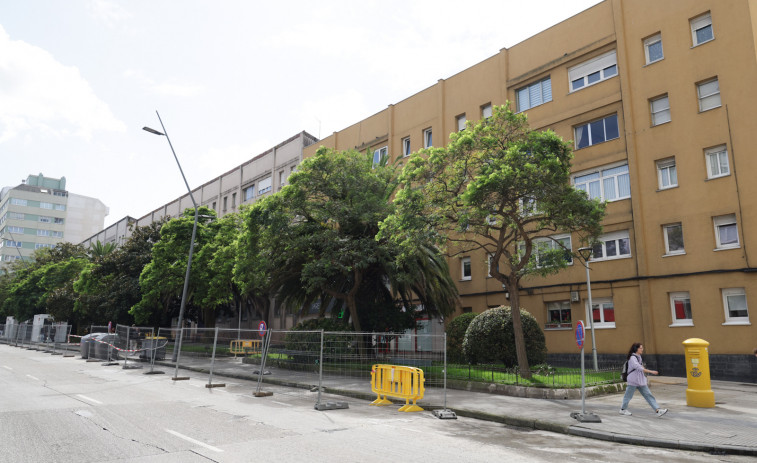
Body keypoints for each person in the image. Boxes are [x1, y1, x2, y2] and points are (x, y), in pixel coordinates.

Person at [619, 342, 668, 417]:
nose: (642, 349)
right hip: (633, 380)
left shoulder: (639, 357)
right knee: (628, 396)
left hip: (640, 381)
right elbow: (639, 367)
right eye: (641, 348)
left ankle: (658, 410)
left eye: (642, 348)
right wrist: (651, 371)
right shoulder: (632, 358)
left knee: (648, 395)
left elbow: (641, 368)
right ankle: (623, 409)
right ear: (636, 349)